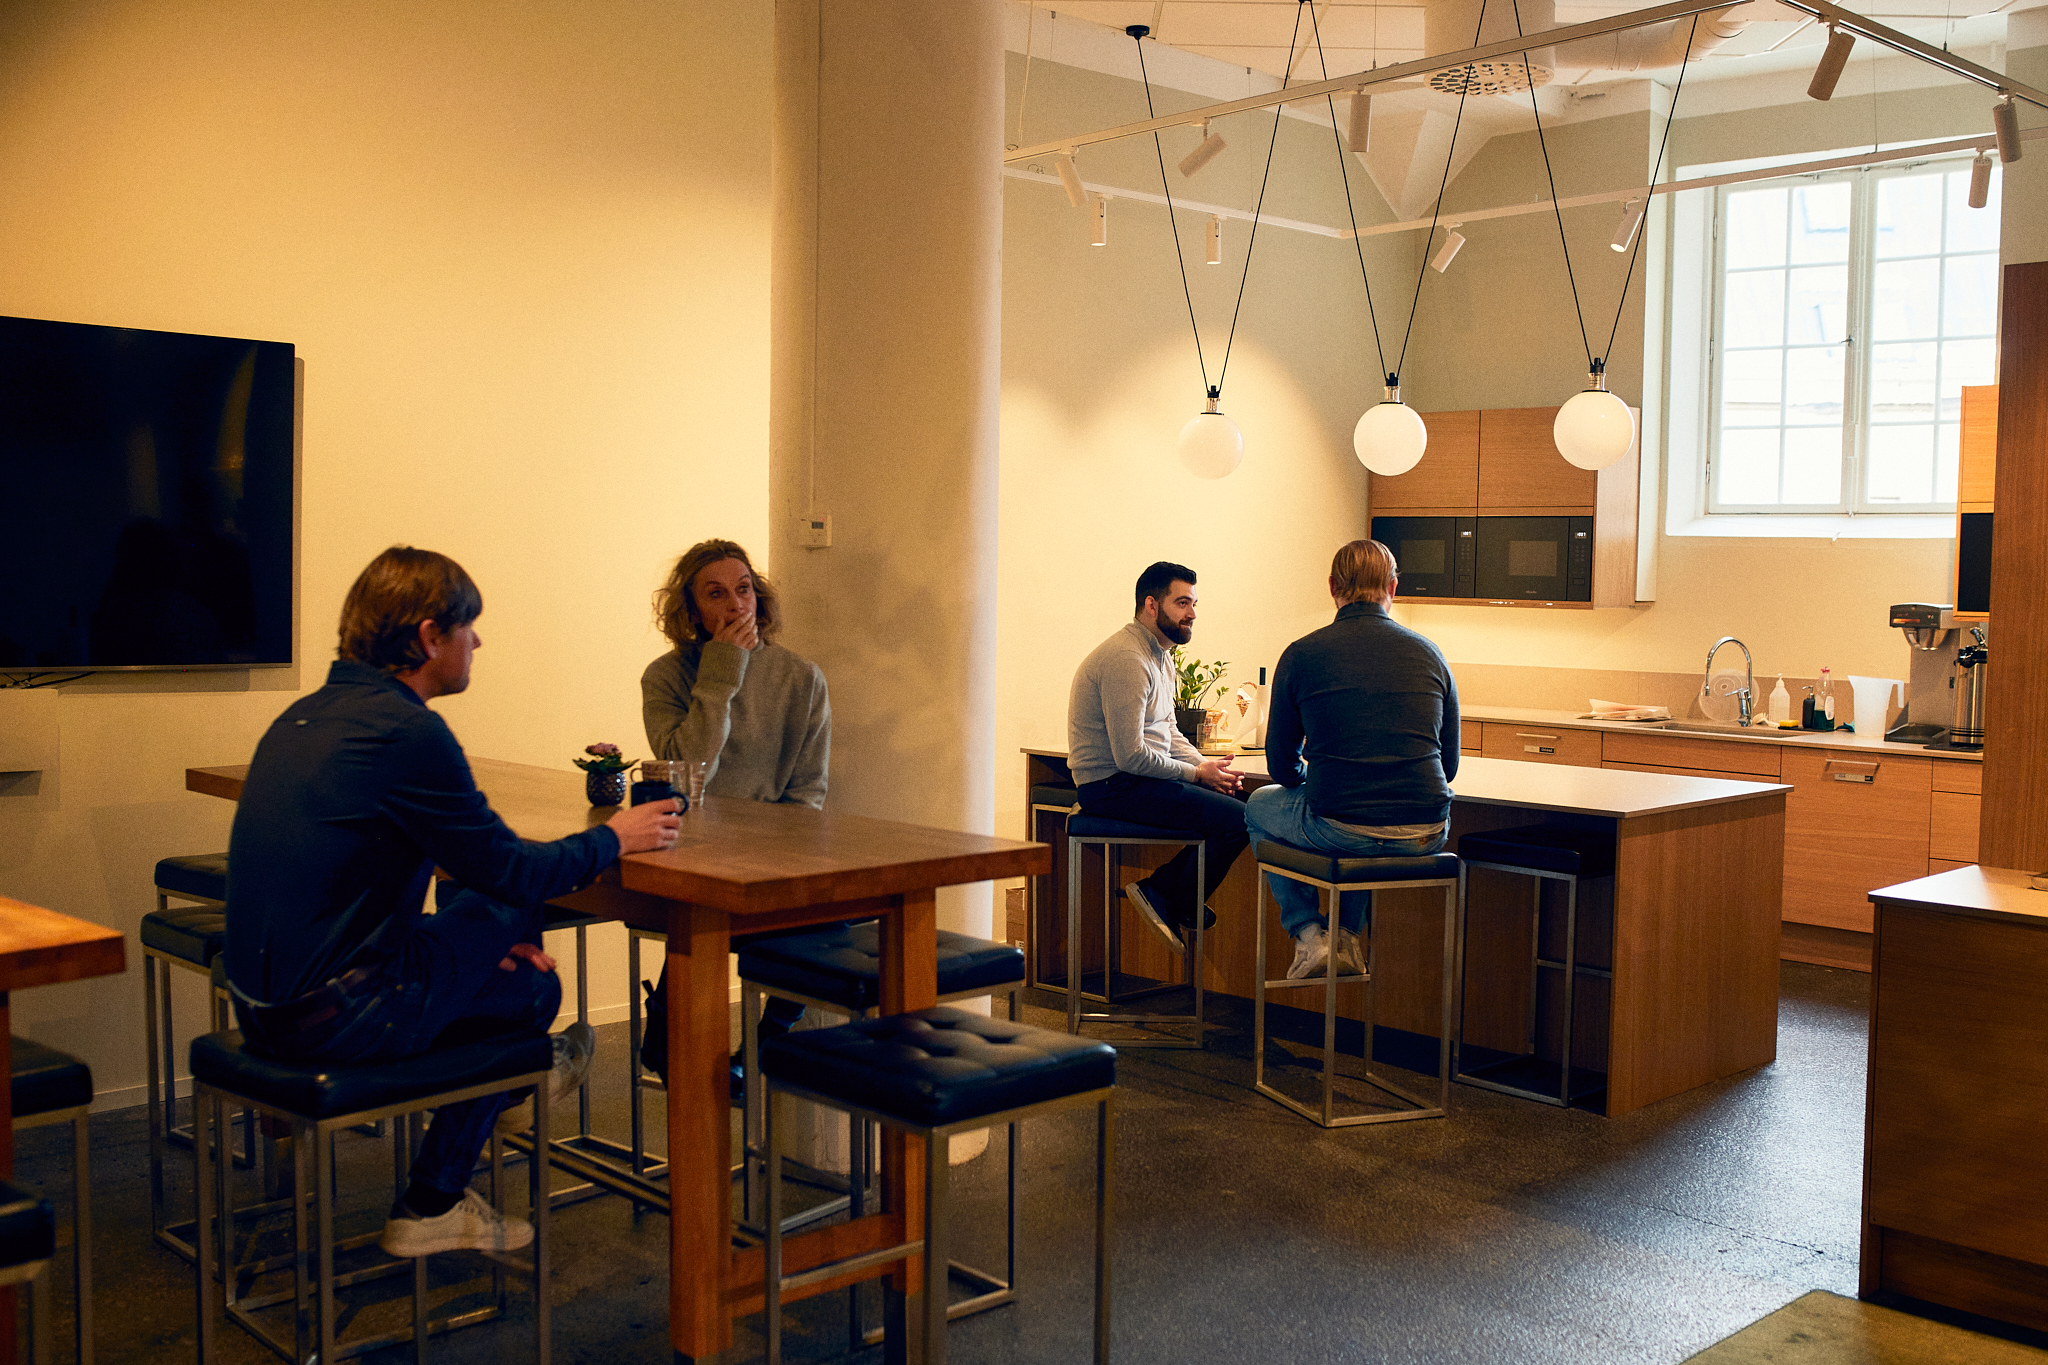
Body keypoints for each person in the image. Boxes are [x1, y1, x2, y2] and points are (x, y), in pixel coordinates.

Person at [225, 547, 680, 1257]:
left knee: (504, 946)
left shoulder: (304, 716)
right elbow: (511, 870)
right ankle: (461, 1161)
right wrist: (617, 837)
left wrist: (477, 950)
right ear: (429, 636)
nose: (479, 643)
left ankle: (509, 1097)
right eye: (469, 627)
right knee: (525, 965)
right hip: (338, 1018)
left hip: (259, 1007)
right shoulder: (407, 732)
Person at [637, 538, 830, 1086]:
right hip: (692, 848)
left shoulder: (801, 678)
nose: (735, 605)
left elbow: (808, 789)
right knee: (704, 919)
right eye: (716, 594)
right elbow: (686, 767)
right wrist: (721, 673)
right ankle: (672, 1044)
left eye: (743, 590)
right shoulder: (666, 676)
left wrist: (777, 856)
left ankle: (766, 1039)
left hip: (773, 852)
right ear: (691, 608)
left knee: (829, 918)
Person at [1244, 539, 1460, 980]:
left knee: (1258, 807)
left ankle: (1309, 934)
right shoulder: (1430, 654)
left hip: (1340, 828)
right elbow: (1449, 766)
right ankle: (1345, 936)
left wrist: (1314, 775)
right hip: (1428, 832)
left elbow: (1281, 768)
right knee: (1359, 821)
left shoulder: (1302, 654)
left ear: (1332, 586)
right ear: (1393, 587)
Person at [1067, 560, 1246, 947]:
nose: (1192, 613)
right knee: (1239, 820)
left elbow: (1169, 730)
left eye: (1194, 603)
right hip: (1111, 787)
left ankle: (1174, 897)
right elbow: (1130, 756)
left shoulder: (1160, 656)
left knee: (1237, 809)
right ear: (1151, 605)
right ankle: (1165, 893)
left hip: (1134, 781)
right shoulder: (1127, 659)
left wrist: (1205, 766)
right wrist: (1195, 775)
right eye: (1182, 603)